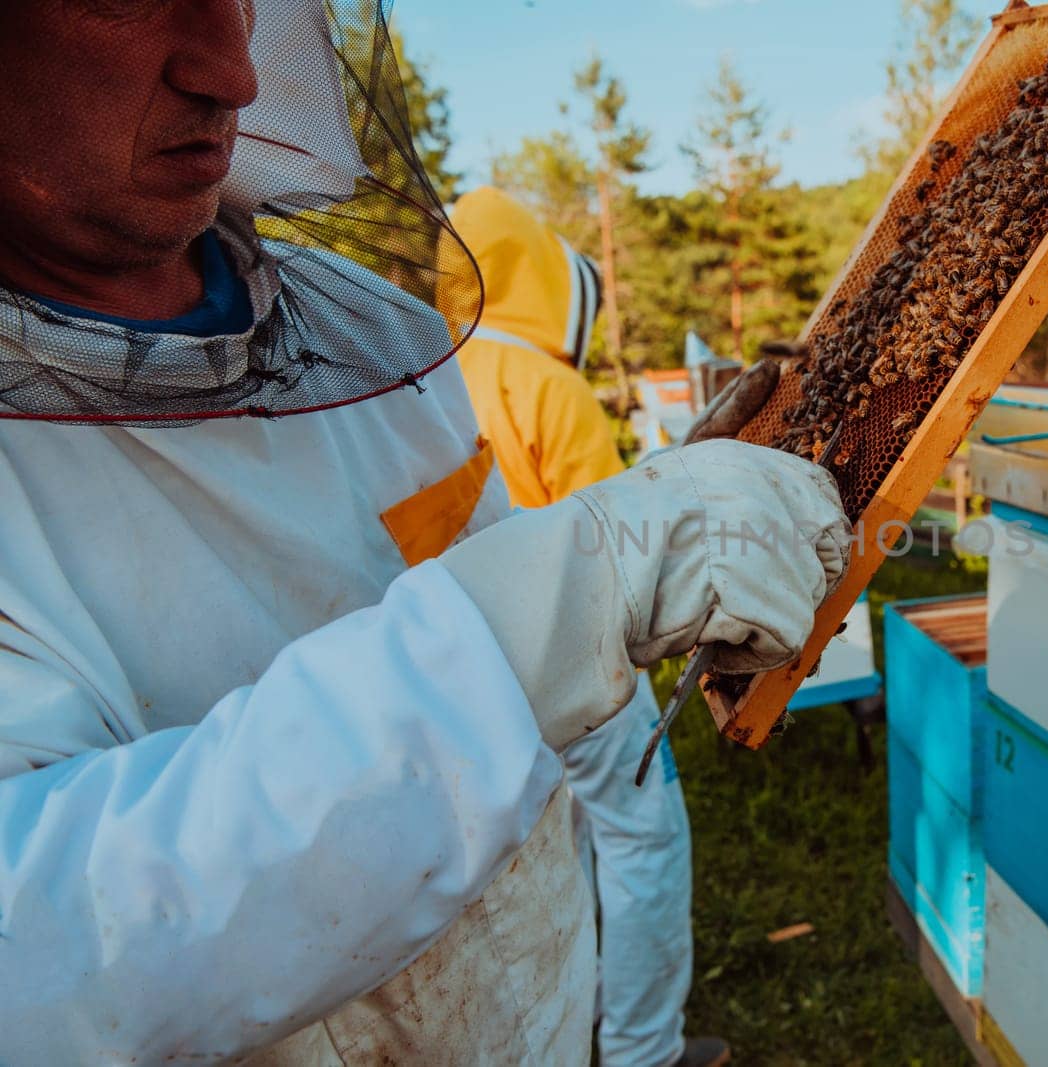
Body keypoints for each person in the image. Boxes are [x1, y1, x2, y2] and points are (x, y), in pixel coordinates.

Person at [0, 2, 848, 1064]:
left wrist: (625, 572)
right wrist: (571, 596)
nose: (233, 70)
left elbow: (508, 625)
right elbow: (44, 956)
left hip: (539, 1008)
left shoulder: (372, 326)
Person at [448, 186, 723, 1067]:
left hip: (468, 676)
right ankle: (643, 1049)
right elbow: (614, 542)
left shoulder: (417, 373)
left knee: (552, 850)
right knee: (641, 840)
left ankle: (575, 1023)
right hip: (576, 659)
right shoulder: (545, 383)